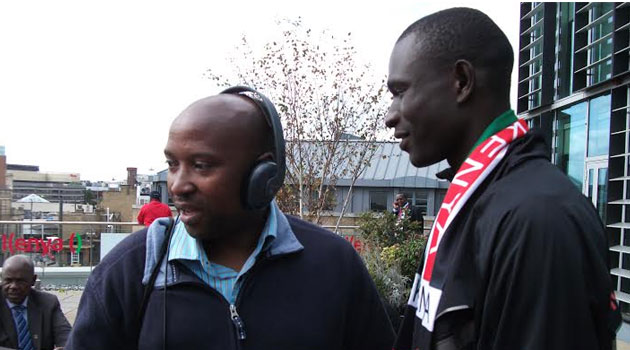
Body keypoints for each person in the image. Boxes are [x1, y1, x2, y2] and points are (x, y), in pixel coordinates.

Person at [65, 88, 394, 349]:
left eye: (202, 165)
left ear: (262, 174)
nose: (178, 185)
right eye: (173, 164)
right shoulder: (128, 271)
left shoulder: (334, 263)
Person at [385, 7, 620, 350]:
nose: (390, 115)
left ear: (461, 82)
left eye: (400, 91)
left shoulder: (537, 219)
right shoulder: (477, 200)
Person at [0, 255, 71, 350]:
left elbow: (66, 336)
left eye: (20, 281)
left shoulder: (48, 303)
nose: (13, 286)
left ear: (33, 280)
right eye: (8, 280)